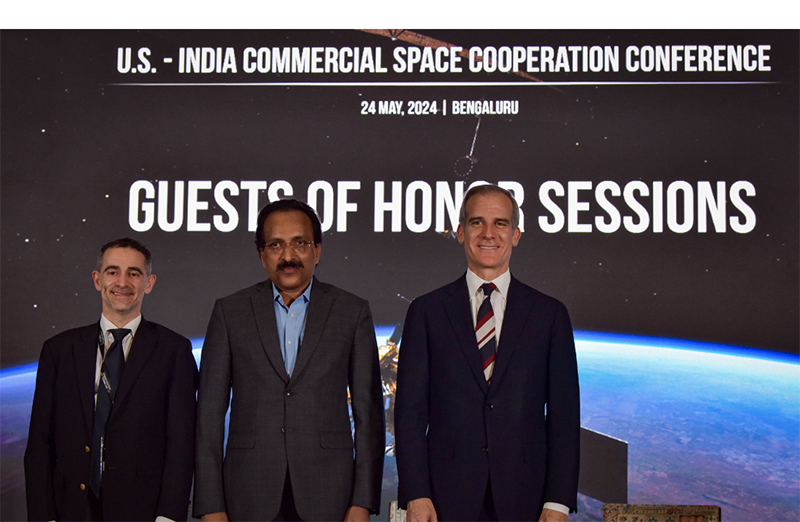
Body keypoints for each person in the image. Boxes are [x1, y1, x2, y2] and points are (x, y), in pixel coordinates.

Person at [395, 184, 580, 522]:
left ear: (516, 235)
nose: (489, 233)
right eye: (477, 222)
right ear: (460, 233)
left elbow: (564, 418)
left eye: (501, 223)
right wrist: (416, 493)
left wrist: (558, 502)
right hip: (444, 498)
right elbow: (410, 413)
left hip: (526, 497)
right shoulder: (426, 312)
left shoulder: (550, 315)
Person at [193, 198, 385, 522]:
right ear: (262, 254)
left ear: (317, 251)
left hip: (331, 497)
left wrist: (362, 502)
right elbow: (208, 417)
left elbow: (369, 415)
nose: (288, 256)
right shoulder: (230, 312)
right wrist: (211, 505)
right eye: (276, 245)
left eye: (300, 243)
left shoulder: (352, 312)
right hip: (247, 496)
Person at [24, 238, 198, 521]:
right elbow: (40, 443)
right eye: (113, 271)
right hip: (70, 510)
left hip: (142, 512)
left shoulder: (173, 351)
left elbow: (182, 443)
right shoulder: (59, 350)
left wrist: (168, 516)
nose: (122, 282)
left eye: (134, 273)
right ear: (97, 279)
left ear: (149, 283)